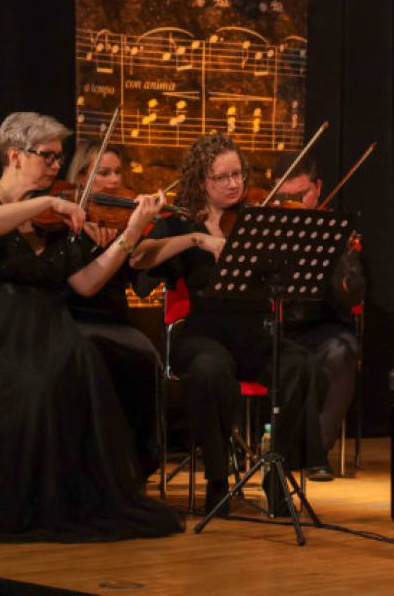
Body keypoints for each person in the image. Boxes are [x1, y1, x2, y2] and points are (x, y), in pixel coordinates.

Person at [0, 112, 182, 542]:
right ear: (15, 155)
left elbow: (86, 283)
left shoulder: (57, 225)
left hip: (48, 328)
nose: (56, 166)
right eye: (47, 156)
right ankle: (8, 498)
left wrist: (130, 232)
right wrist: (48, 204)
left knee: (78, 371)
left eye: (57, 158)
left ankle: (52, 498)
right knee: (35, 383)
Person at [130, 133, 325, 515]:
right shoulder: (181, 222)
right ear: (201, 180)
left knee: (299, 364)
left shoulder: (258, 220)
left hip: (254, 335)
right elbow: (140, 258)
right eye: (222, 177)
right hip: (202, 334)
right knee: (209, 368)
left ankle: (276, 472)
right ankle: (217, 479)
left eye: (238, 174)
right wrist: (197, 240)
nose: (234, 184)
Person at [65, 141, 162, 477]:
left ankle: (132, 467)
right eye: (103, 173)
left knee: (145, 356)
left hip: (116, 318)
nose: (114, 180)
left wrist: (141, 230)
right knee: (97, 354)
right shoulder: (66, 222)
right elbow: (82, 284)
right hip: (73, 317)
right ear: (80, 178)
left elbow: (141, 280)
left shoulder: (122, 221)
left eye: (117, 172)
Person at [270, 151, 365, 481]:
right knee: (293, 360)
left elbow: (353, 295)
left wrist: (339, 259)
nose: (290, 206)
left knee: (344, 353)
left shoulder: (335, 231)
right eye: (281, 198)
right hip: (275, 327)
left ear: (318, 188)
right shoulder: (263, 228)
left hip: (322, 326)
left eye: (300, 196)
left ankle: (317, 452)